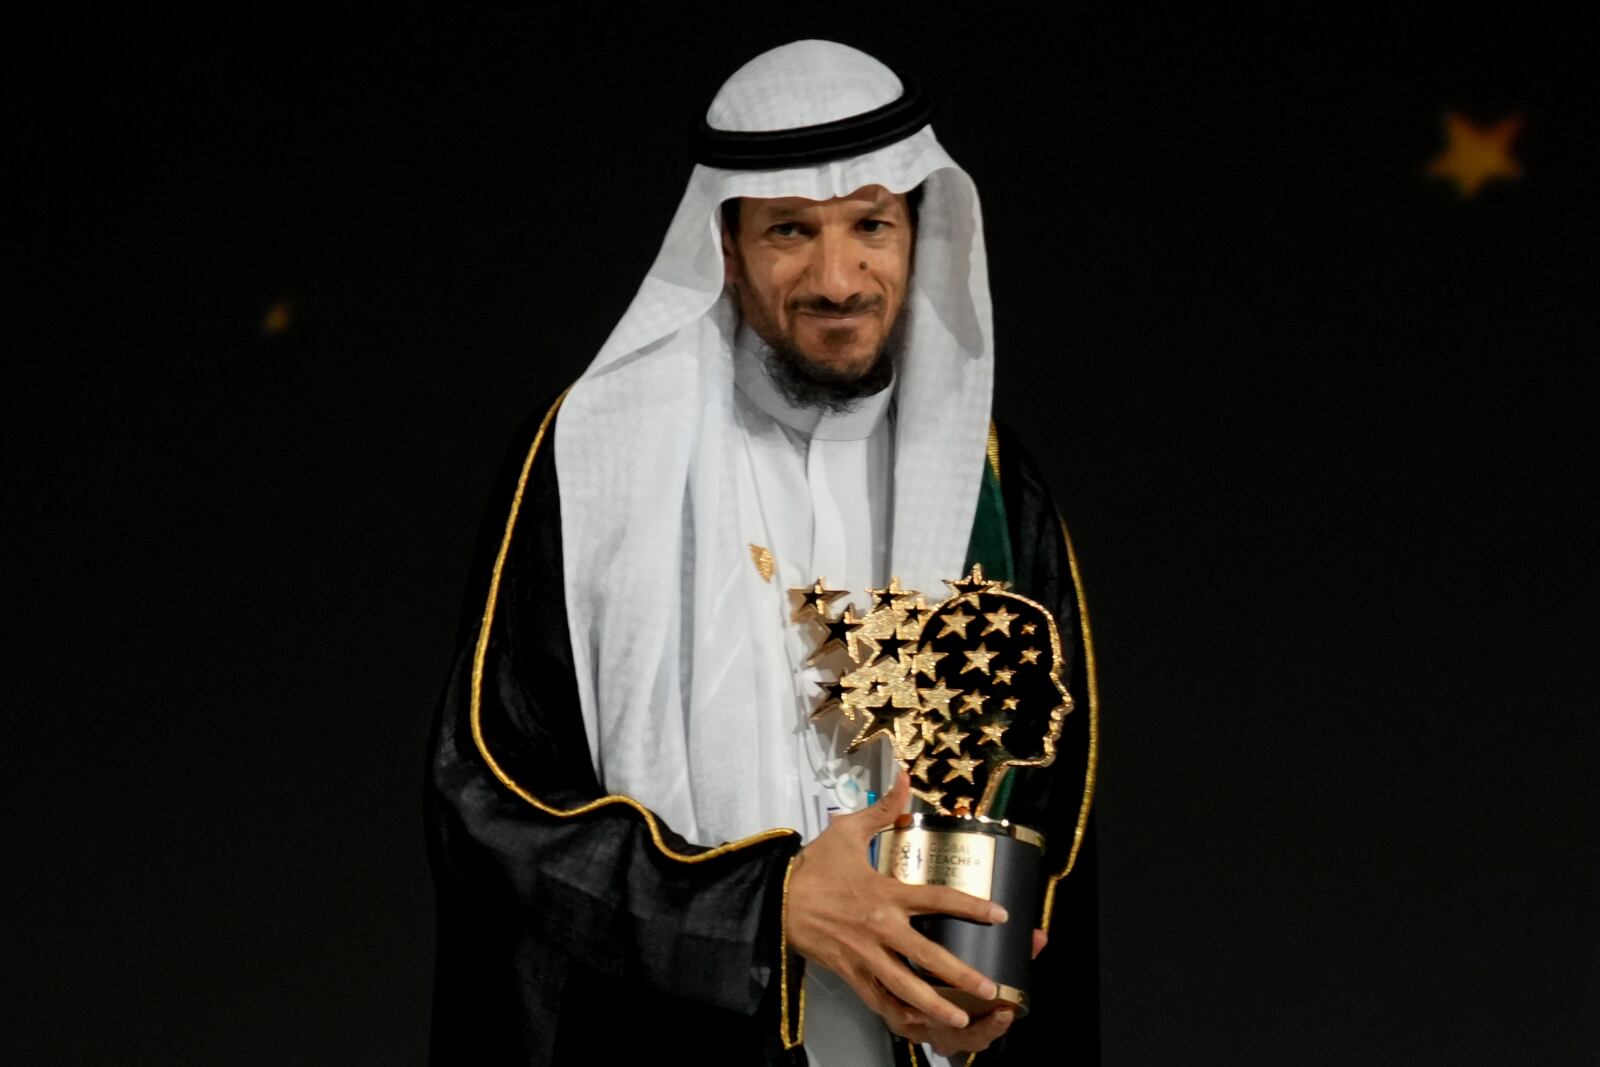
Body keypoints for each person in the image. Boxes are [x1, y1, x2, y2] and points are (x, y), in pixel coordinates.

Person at [425, 40, 1099, 1066]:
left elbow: (1046, 790)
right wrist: (763, 906)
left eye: (871, 224)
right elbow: (490, 804)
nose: (838, 278)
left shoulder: (987, 484)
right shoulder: (596, 458)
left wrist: (994, 963)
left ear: (919, 231)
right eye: (791, 231)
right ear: (726, 245)